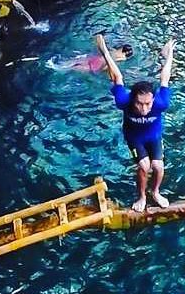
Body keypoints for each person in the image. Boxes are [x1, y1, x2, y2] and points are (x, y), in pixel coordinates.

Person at [97, 33, 176, 212]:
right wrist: (105, 53)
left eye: (148, 104)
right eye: (139, 104)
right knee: (144, 165)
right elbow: (118, 77)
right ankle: (141, 196)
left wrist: (169, 54)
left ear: (153, 100)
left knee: (158, 166)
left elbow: (165, 78)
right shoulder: (124, 101)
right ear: (133, 100)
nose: (144, 109)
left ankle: (155, 192)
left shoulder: (161, 103)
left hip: (154, 136)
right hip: (134, 138)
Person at [58, 42, 133, 73]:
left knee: (74, 61)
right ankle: (58, 70)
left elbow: (103, 49)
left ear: (123, 47)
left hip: (95, 58)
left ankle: (57, 65)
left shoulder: (115, 50)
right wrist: (101, 70)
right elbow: (110, 65)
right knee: (73, 68)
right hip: (98, 65)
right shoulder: (122, 58)